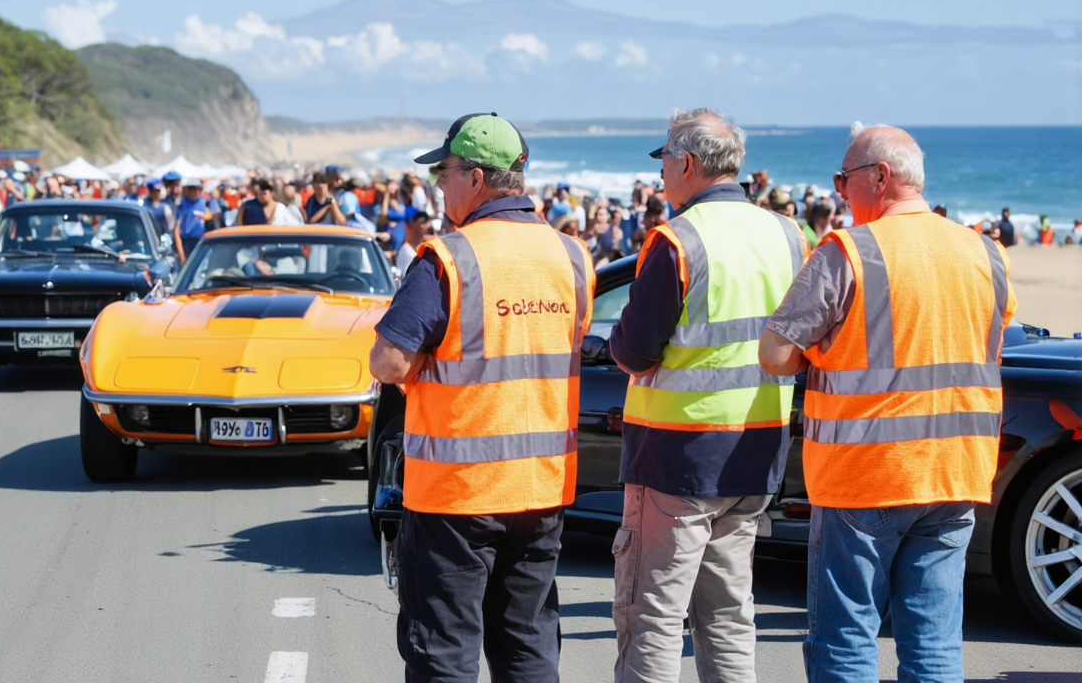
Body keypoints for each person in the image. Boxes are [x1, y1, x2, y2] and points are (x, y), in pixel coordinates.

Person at [758, 123, 1016, 683]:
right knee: (935, 646)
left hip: (865, 472)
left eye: (842, 179)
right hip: (955, 472)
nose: (838, 192)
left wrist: (828, 355)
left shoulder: (850, 250)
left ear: (879, 177)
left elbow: (776, 353)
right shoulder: (985, 252)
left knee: (846, 642)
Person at [369, 113, 595, 683]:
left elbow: (389, 362)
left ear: (474, 177)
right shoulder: (572, 256)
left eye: (443, 172)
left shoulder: (448, 257)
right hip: (540, 486)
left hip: (457, 490)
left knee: (444, 650)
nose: (438, 185)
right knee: (528, 647)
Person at [607, 107, 807, 683]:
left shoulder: (677, 239)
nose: (660, 174)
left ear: (689, 162)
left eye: (664, 160)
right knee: (728, 616)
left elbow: (636, 351)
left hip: (678, 457)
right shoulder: (789, 233)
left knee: (653, 617)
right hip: (757, 452)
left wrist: (616, 339)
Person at [173, 176, 214, 262]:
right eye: (190, 189)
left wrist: (207, 216)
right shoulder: (182, 203)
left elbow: (212, 214)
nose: (193, 192)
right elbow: (177, 230)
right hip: (186, 242)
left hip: (201, 241)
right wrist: (181, 254)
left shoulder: (204, 202)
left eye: (196, 189)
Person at [395, 211, 432, 275]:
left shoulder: (431, 245)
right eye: (423, 222)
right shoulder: (406, 250)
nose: (424, 226)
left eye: (426, 222)